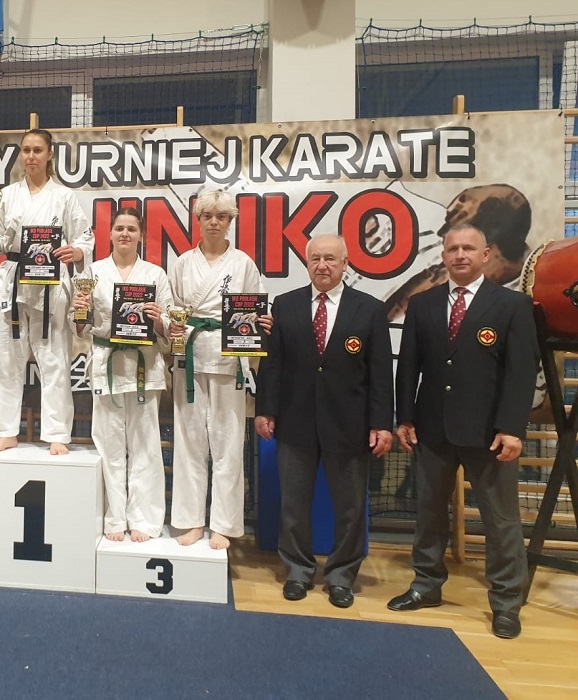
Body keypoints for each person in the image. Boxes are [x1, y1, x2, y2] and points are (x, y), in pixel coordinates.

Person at [389, 223, 538, 639]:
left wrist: (511, 428)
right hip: (432, 429)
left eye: (468, 249)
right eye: (452, 248)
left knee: (500, 520)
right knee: (429, 514)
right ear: (443, 255)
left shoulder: (512, 305)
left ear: (486, 254)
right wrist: (405, 417)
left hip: (490, 434)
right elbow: (409, 367)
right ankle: (426, 585)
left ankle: (506, 602)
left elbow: (521, 373)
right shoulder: (423, 304)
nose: (459, 255)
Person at [255, 234, 394, 608]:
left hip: (350, 426)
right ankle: (297, 571)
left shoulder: (369, 309)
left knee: (350, 508)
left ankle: (341, 576)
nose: (322, 265)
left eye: (330, 258)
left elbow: (381, 374)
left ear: (345, 263)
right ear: (307, 263)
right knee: (293, 504)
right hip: (295, 422)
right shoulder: (285, 305)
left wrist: (382, 423)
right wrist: (265, 410)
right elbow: (273, 364)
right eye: (315, 258)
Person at [0, 128, 94, 455]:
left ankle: (57, 433)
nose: (31, 156)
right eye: (26, 150)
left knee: (55, 360)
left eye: (37, 150)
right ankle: (6, 431)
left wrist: (76, 250)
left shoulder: (64, 196)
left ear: (50, 155)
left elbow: (85, 237)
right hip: (14, 281)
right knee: (6, 360)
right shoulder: (6, 196)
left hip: (51, 284)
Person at [167, 190, 271, 549]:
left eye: (221, 217)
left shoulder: (243, 264)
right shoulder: (183, 263)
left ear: (231, 221)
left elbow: (256, 310)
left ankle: (224, 524)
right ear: (197, 220)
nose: (214, 222)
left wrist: (261, 323)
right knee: (189, 441)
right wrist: (172, 327)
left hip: (230, 358)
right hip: (191, 356)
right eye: (207, 216)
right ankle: (191, 520)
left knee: (228, 443)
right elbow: (172, 310)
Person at [73, 207, 171, 542]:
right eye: (119, 228)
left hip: (145, 366)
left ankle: (144, 518)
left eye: (131, 228)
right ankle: (113, 517)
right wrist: (81, 309)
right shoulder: (93, 272)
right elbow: (80, 326)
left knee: (145, 446)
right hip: (108, 365)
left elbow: (170, 324)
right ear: (110, 234)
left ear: (141, 235)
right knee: (109, 446)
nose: (125, 234)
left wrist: (159, 319)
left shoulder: (155, 274)